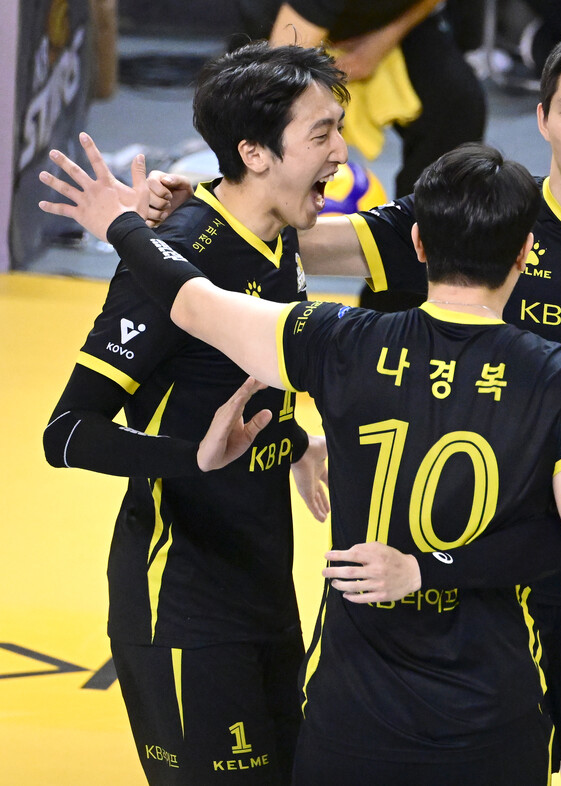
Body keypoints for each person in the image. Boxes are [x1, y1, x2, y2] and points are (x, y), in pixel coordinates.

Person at [39, 137, 561, 784]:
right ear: (526, 252)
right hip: (489, 715)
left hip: (352, 713)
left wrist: (124, 224)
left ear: (416, 247)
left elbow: (190, 298)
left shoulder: (336, 339)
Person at [38, 43, 342, 784]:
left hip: (265, 587)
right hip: (181, 606)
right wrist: (193, 459)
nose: (341, 153)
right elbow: (66, 433)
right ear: (255, 153)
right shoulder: (174, 259)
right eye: (322, 133)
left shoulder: (277, 236)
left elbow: (230, 383)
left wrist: (291, 438)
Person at [270, 0, 486, 198]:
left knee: (458, 106)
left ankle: (420, 221)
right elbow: (281, 73)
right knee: (280, 121)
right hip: (282, 31)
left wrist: (377, 46)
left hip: (379, 24)